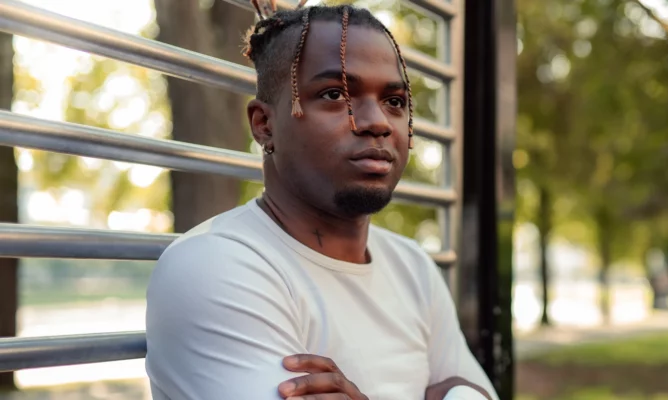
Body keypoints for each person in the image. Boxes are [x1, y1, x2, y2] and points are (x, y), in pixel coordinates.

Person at [144, 3, 496, 400]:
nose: (377, 122)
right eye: (334, 94)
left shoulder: (413, 268)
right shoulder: (214, 266)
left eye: (394, 101)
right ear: (264, 125)